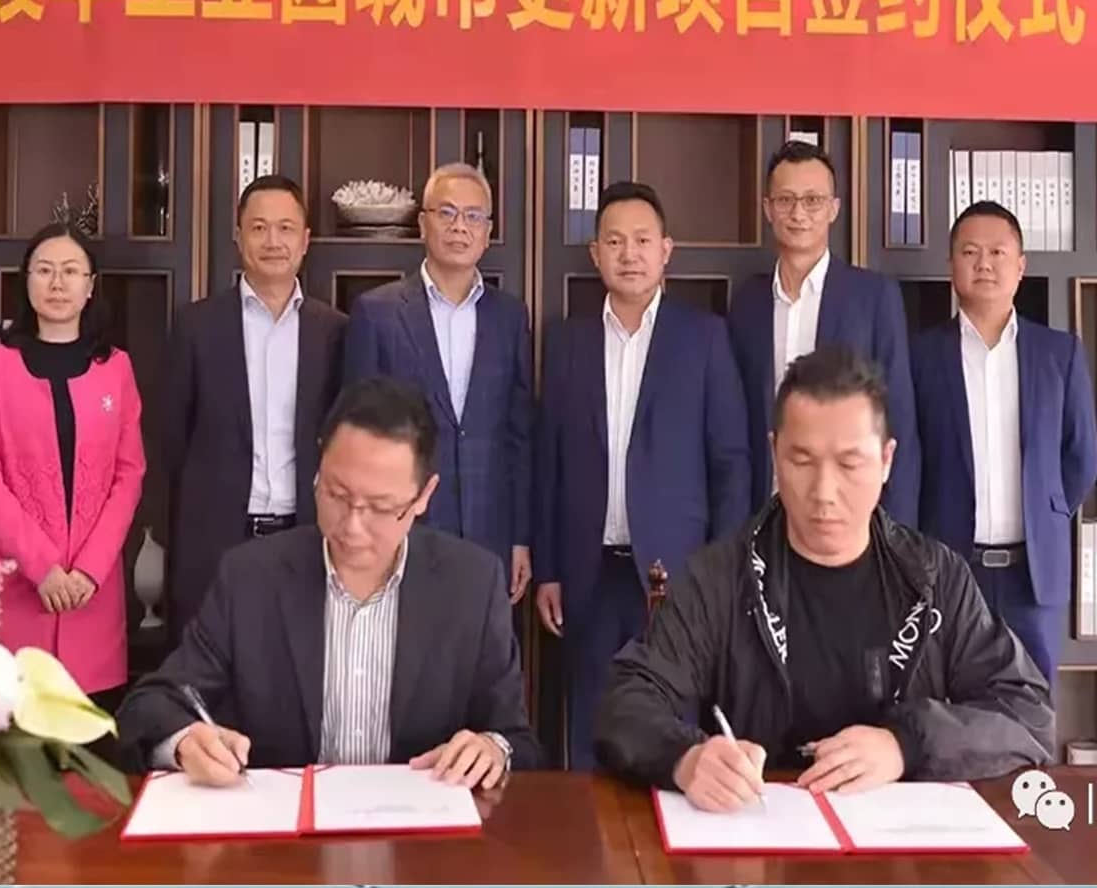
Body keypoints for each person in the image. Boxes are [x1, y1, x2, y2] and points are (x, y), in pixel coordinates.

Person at [595, 345, 1054, 810]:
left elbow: (1029, 716)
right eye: (802, 461)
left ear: (886, 461)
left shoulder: (935, 579)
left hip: (898, 835)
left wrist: (906, 743)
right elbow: (625, 704)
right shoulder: (720, 577)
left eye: (849, 464)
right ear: (774, 454)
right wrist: (686, 758)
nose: (824, 492)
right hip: (759, 823)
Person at [118, 377, 539, 787]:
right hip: (286, 826)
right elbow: (152, 705)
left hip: (420, 829)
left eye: (380, 507)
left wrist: (493, 749)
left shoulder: (471, 585)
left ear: (424, 496)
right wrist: (184, 741)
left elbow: (517, 740)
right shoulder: (251, 578)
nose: (352, 526)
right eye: (337, 494)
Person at [534, 181, 752, 770]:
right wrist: (549, 569)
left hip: (675, 574)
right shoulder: (568, 341)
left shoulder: (703, 337)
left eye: (642, 240)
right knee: (588, 725)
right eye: (614, 242)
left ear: (666, 250)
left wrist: (719, 572)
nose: (628, 254)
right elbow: (549, 463)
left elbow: (730, 462)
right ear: (595, 253)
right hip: (587, 570)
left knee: (671, 726)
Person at [0, 222, 145, 704]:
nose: (57, 283)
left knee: (88, 736)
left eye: (70, 271)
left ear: (90, 285)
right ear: (26, 281)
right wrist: (42, 567)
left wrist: (88, 571)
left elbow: (129, 475)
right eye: (44, 271)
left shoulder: (116, 368)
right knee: (7, 735)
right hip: (13, 588)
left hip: (90, 593)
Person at [914, 200, 1097, 687]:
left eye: (998, 252)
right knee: (948, 710)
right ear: (951, 266)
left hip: (1032, 576)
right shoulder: (921, 356)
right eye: (970, 252)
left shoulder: (1059, 353)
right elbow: (911, 460)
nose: (984, 263)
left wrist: (1046, 510)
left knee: (1032, 709)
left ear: (1020, 266)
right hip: (950, 570)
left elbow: (1081, 456)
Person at [163, 174, 347, 637]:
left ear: (305, 241)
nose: (273, 241)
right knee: (212, 670)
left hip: (306, 537)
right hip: (214, 542)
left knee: (297, 668)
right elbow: (170, 441)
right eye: (259, 228)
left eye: (286, 228)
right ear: (238, 237)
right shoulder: (196, 326)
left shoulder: (335, 331)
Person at [343, 163, 533, 602]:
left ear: (487, 232)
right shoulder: (377, 314)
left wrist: (521, 538)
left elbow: (520, 435)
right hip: (403, 529)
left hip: (490, 532)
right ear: (423, 224)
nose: (459, 227)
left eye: (473, 216)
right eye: (446, 213)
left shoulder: (509, 317)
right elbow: (358, 436)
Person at [727, 140, 920, 524]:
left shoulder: (873, 296)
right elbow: (733, 423)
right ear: (767, 209)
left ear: (834, 208)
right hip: (764, 514)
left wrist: (896, 536)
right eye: (785, 200)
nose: (798, 213)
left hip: (847, 516)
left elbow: (899, 419)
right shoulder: (748, 301)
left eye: (813, 200)